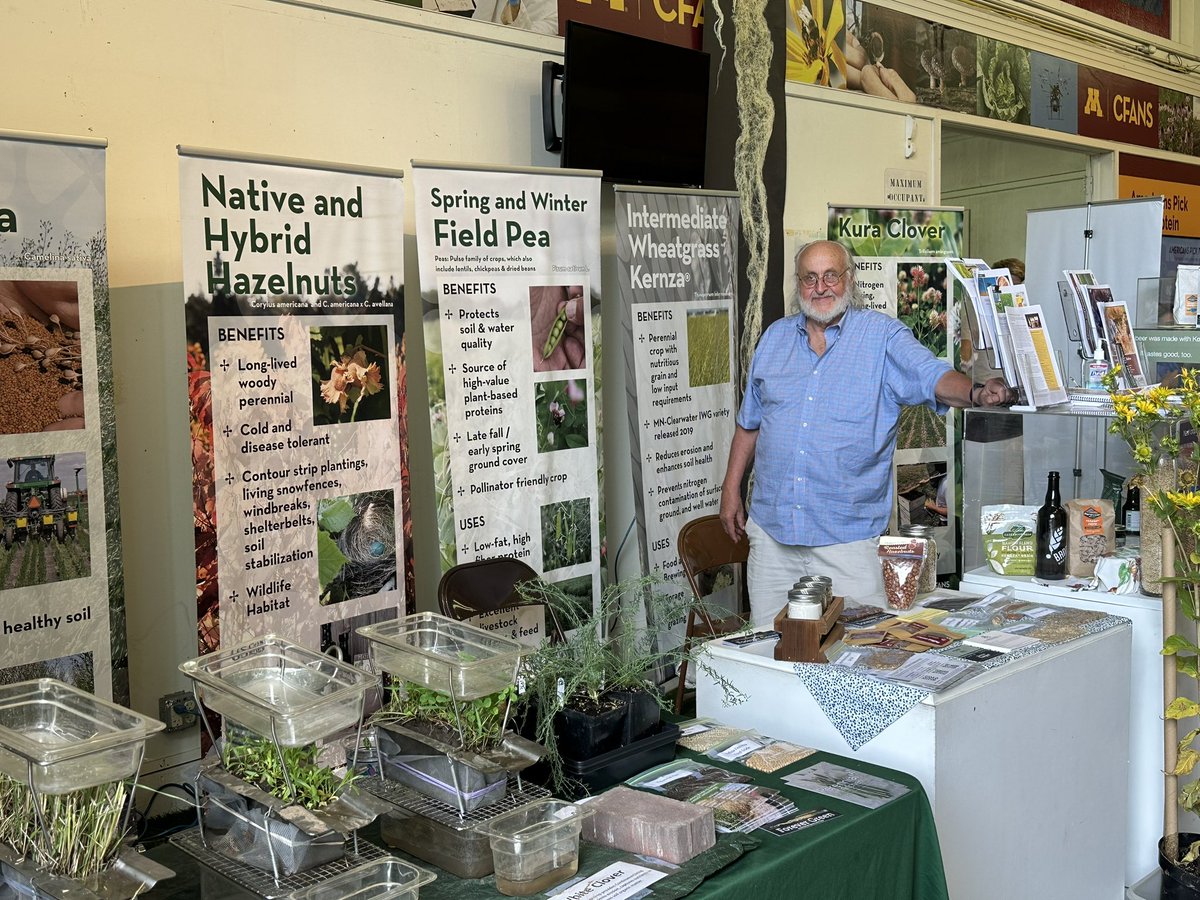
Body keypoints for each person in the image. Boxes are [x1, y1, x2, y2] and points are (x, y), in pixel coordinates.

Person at [719, 240, 1011, 625]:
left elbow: (932, 376)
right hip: (773, 538)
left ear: (849, 279)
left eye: (830, 276)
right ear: (798, 283)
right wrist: (730, 489)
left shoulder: (882, 337)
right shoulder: (774, 338)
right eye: (809, 277)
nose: (820, 287)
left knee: (855, 653)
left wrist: (975, 393)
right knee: (769, 650)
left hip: (848, 543)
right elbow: (749, 423)